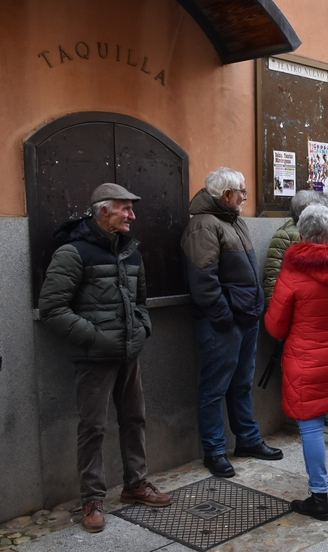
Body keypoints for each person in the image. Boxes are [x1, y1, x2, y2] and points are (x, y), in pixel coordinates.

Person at [39, 183, 171, 533]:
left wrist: (142, 329)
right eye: (125, 209)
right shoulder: (73, 253)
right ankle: (92, 499)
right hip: (94, 357)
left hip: (130, 351)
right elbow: (52, 309)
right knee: (93, 428)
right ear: (103, 211)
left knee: (134, 419)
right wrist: (97, 339)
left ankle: (135, 484)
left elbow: (141, 301)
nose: (133, 215)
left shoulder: (131, 251)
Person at [264, 205, 328, 521]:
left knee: (310, 427)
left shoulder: (293, 272)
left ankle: (319, 497)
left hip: (304, 362)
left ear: (302, 233)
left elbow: (276, 326)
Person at [181, 167, 282, 479]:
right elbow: (203, 282)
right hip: (223, 323)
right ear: (226, 195)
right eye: (242, 191)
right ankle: (214, 450)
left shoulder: (231, 221)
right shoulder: (203, 226)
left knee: (240, 384)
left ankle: (248, 439)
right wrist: (224, 318)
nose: (245, 197)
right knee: (215, 387)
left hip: (243, 318)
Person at [263, 190, 328, 304]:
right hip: (294, 301)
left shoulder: (319, 231)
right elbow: (272, 276)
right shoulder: (285, 234)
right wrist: (274, 306)